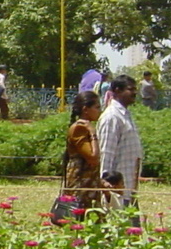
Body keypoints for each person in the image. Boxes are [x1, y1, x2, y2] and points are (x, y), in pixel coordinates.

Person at [53, 89, 106, 223]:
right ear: (85, 109)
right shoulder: (80, 128)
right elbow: (93, 157)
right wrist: (93, 133)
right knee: (79, 221)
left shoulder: (86, 126)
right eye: (97, 107)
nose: (100, 110)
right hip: (80, 184)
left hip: (88, 183)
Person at [97, 74, 144, 209]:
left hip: (129, 188)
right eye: (131, 89)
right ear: (117, 90)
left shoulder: (125, 115)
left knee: (131, 229)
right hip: (116, 194)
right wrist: (106, 190)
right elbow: (106, 154)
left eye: (135, 89)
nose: (135, 93)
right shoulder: (112, 117)